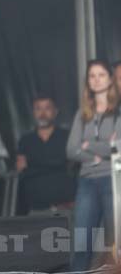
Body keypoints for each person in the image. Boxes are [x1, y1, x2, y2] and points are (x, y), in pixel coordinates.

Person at [66, 59, 120, 271]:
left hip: (113, 183)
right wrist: (103, 150)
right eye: (92, 76)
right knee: (81, 244)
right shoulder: (82, 114)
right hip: (87, 182)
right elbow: (71, 150)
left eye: (101, 75)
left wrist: (88, 146)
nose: (96, 80)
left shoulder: (118, 112)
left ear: (110, 79)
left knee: (114, 244)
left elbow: (117, 147)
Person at [15, 95, 76, 214]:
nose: (42, 113)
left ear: (55, 111)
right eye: (38, 109)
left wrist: (33, 165)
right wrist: (57, 162)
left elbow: (72, 164)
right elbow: (20, 168)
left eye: (47, 108)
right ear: (33, 112)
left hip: (65, 206)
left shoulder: (67, 136)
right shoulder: (26, 140)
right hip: (35, 207)